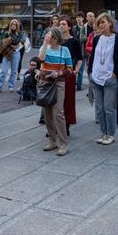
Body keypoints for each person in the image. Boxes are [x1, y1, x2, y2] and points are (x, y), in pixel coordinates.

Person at [38, 27, 73, 156]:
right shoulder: (45, 48)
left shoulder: (64, 50)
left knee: (58, 113)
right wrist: (45, 43)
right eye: (48, 36)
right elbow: (41, 59)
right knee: (47, 114)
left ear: (58, 38)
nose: (50, 38)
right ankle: (52, 140)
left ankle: (63, 143)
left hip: (59, 83)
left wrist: (58, 73)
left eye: (52, 36)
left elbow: (70, 69)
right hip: (45, 83)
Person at [87, 13, 118, 146]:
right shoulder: (96, 39)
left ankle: (111, 134)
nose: (101, 25)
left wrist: (115, 73)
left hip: (110, 78)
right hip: (95, 77)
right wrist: (89, 72)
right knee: (99, 108)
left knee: (109, 108)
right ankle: (103, 132)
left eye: (103, 22)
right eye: (99, 23)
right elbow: (92, 56)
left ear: (110, 23)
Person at [0, 19, 25, 94]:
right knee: (3, 71)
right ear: (10, 25)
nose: (13, 26)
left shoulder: (20, 33)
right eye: (12, 24)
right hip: (7, 53)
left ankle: (11, 86)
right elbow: (3, 43)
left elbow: (19, 42)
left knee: (14, 71)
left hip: (16, 53)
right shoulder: (6, 33)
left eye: (15, 24)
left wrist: (10, 41)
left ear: (17, 26)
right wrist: (11, 42)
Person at [59, 17, 85, 94]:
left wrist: (76, 70)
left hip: (69, 71)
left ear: (69, 27)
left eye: (64, 24)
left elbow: (80, 58)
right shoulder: (56, 40)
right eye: (60, 24)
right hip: (56, 71)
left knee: (69, 96)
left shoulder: (74, 41)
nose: (61, 26)